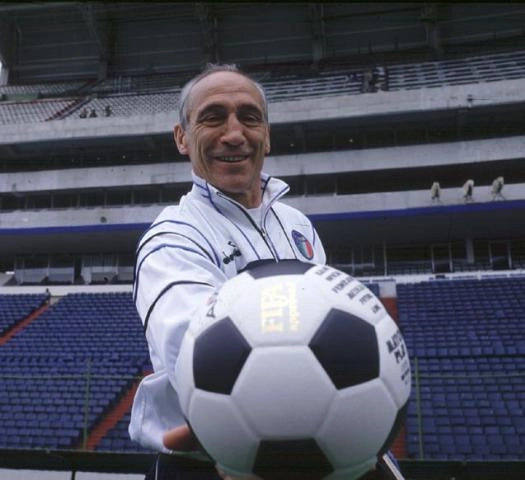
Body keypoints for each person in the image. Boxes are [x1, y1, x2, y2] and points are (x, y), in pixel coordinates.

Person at [130, 63, 403, 480]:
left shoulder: (298, 225)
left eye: (249, 117)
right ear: (182, 138)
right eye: (213, 116)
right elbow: (193, 347)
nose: (234, 134)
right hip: (208, 462)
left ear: (267, 136)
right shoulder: (172, 237)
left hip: (317, 448)